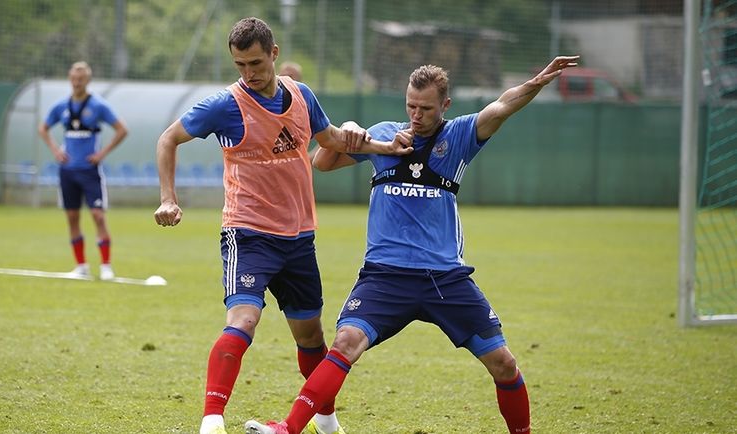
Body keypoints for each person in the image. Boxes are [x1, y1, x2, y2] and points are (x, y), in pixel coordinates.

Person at [244, 55, 580, 434]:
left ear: (445, 106)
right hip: (385, 276)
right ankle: (289, 428)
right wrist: (354, 129)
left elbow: (503, 105)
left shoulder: (459, 137)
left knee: (504, 363)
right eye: (411, 106)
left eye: (426, 108)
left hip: (446, 279)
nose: (416, 115)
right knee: (345, 342)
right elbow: (322, 161)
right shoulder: (386, 134)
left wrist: (537, 81)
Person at [152, 17, 412, 434]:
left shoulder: (301, 95)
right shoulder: (225, 105)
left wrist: (384, 147)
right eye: (240, 65)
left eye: (255, 63)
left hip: (298, 238)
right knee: (243, 320)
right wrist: (168, 198)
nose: (249, 74)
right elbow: (168, 138)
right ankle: (212, 420)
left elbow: (328, 140)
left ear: (274, 54)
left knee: (310, 337)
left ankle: (325, 420)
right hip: (247, 232)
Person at [38, 61, 128, 281]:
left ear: (88, 80)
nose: (77, 83)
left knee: (98, 216)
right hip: (67, 171)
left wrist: (101, 154)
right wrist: (55, 150)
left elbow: (121, 130)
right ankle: (81, 266)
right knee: (72, 217)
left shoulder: (98, 105)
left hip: (89, 171)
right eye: (74, 79)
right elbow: (43, 128)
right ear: (70, 79)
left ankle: (106, 266)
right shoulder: (61, 106)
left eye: (81, 79)